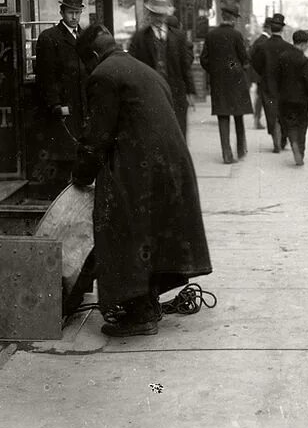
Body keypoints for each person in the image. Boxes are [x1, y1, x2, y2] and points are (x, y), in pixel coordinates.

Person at [72, 25, 211, 337]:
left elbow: (97, 135)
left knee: (120, 228)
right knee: (150, 235)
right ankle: (146, 302)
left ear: (92, 55)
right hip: (170, 166)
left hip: (142, 169)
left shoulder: (103, 75)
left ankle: (139, 314)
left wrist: (81, 174)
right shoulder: (144, 69)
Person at [34, 0, 87, 192]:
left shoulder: (84, 37)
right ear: (61, 12)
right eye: (70, 12)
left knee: (79, 157)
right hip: (62, 111)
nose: (74, 17)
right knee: (62, 159)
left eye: (77, 12)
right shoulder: (50, 38)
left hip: (81, 109)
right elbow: (46, 78)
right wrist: (56, 105)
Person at [127, 0, 196, 137]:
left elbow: (185, 66)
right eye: (154, 14)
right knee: (155, 131)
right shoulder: (139, 38)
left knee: (178, 130)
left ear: (166, 15)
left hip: (175, 91)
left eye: (161, 15)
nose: (158, 18)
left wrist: (190, 91)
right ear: (149, 15)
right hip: (150, 92)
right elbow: (132, 67)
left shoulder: (179, 37)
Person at [199, 2, 253, 164]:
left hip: (219, 82)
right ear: (233, 19)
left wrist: (215, 71)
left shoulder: (211, 35)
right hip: (236, 81)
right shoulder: (236, 35)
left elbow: (204, 59)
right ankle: (241, 150)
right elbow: (244, 58)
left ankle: (227, 155)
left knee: (223, 117)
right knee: (238, 115)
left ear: (223, 17)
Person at [274, 30, 308, 166]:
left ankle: (293, 141)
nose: (307, 46)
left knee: (290, 124)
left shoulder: (282, 57)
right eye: (307, 44)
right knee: (302, 124)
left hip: (285, 99)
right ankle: (300, 150)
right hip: (302, 100)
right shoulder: (303, 60)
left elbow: (277, 78)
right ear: (303, 44)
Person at [255, 12, 292, 153]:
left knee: (271, 113)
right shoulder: (288, 47)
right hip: (285, 85)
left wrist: (264, 73)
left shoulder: (263, 46)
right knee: (284, 112)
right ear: (282, 29)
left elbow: (256, 63)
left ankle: (276, 140)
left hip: (268, 84)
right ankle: (283, 139)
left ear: (271, 28)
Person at [248, 17, 272, 130]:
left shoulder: (259, 40)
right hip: (263, 75)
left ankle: (257, 119)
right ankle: (257, 120)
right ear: (268, 28)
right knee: (262, 97)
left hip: (259, 74)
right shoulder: (265, 41)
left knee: (260, 97)